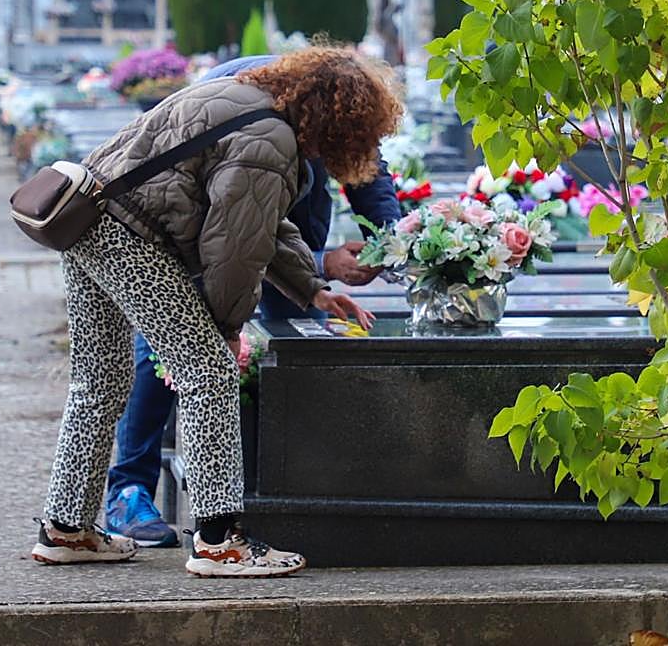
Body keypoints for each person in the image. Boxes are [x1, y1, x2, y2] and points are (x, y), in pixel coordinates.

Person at [31, 47, 402, 578]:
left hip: (85, 220)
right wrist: (225, 326)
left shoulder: (247, 102)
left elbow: (258, 221)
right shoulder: (271, 140)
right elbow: (235, 248)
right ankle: (219, 541)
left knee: (99, 380)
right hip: (132, 239)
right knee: (207, 373)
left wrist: (314, 291)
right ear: (338, 122)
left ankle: (66, 528)